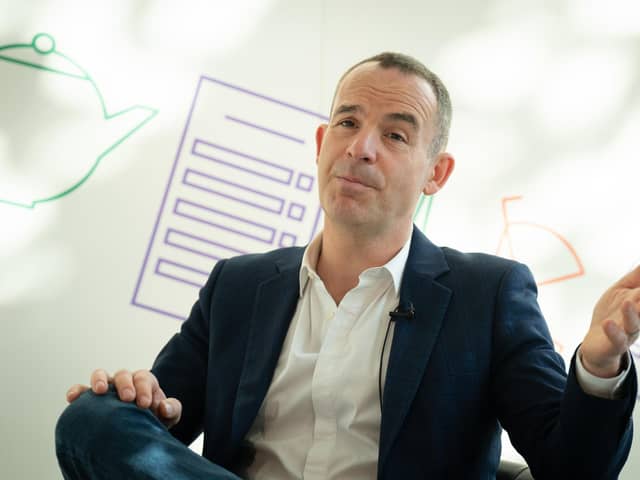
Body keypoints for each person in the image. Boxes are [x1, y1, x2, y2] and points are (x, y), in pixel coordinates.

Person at [55, 52, 638, 479]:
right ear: (321, 142)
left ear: (437, 173)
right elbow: (161, 430)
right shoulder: (238, 284)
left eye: (395, 134)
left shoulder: (489, 293)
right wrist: (139, 396)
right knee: (91, 419)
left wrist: (599, 361)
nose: (361, 147)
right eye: (348, 123)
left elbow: (573, 470)